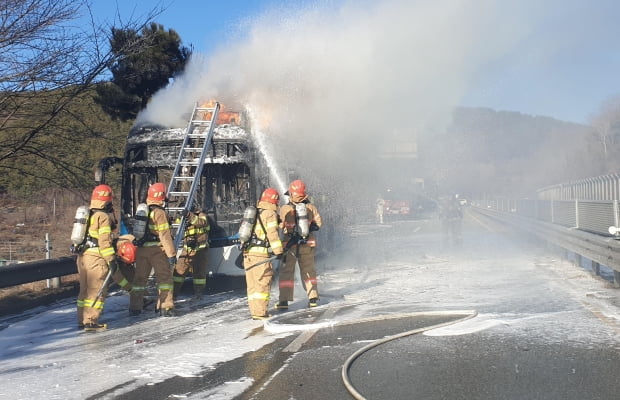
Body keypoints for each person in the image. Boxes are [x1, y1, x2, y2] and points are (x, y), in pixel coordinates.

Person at [75, 184, 120, 332]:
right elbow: (104, 241)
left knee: (84, 290)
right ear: (108, 200)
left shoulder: (89, 214)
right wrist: (111, 260)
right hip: (96, 257)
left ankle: (82, 319)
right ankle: (91, 321)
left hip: (83, 257)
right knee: (96, 290)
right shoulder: (103, 217)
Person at [130, 182, 177, 317]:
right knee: (164, 279)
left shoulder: (144, 211)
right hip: (157, 250)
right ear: (161, 196)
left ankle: (135, 307)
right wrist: (171, 254)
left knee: (139, 280)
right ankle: (165, 306)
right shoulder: (159, 213)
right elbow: (164, 235)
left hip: (142, 250)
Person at [276, 179, 323, 309]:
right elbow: (319, 224)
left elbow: (279, 225)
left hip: (289, 246)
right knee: (309, 272)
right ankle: (313, 298)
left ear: (291, 193)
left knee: (286, 273)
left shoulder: (285, 209)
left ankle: (284, 301)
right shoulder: (311, 207)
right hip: (307, 245)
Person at [242, 187, 284, 320]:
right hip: (260, 255)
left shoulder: (255, 211)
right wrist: (279, 251)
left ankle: (255, 311)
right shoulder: (270, 214)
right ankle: (261, 312)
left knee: (252, 284)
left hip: (248, 253)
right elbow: (272, 234)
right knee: (262, 283)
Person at [173, 207, 210, 299]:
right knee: (179, 271)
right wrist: (176, 218)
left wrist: (189, 215)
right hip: (188, 249)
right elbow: (178, 223)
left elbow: (201, 223)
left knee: (199, 273)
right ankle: (173, 294)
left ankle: (199, 294)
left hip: (200, 249)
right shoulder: (186, 217)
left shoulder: (202, 215)